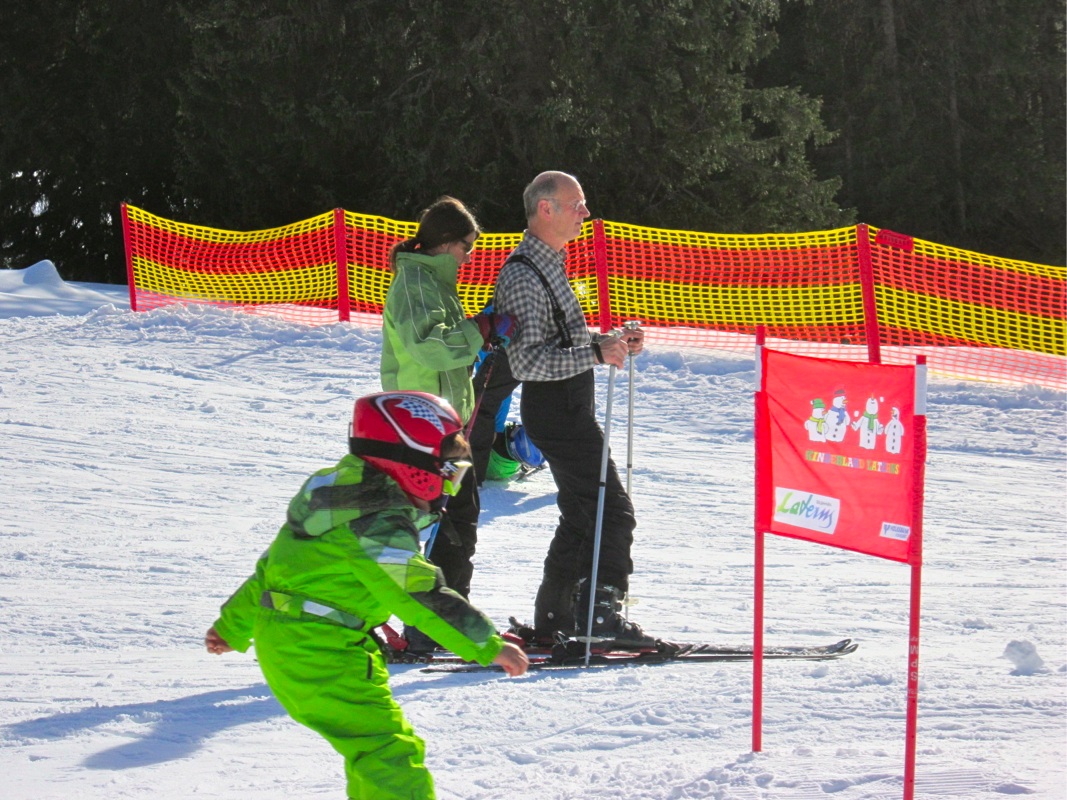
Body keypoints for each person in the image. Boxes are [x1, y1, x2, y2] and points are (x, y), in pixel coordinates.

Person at [205, 391, 528, 800]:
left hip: (295, 641)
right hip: (320, 649)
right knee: (386, 751)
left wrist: (232, 626)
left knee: (377, 747)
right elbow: (416, 590)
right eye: (447, 468)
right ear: (409, 462)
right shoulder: (375, 522)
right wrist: (487, 643)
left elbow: (271, 572)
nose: (450, 483)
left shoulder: (336, 504)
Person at [492, 170, 654, 648]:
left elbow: (562, 339)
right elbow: (525, 361)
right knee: (612, 511)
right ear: (546, 209)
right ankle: (599, 618)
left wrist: (608, 341)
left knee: (583, 512)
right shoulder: (524, 273)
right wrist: (596, 352)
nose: (586, 212)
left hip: (566, 406)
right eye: (576, 203)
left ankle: (556, 616)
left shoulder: (549, 264)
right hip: (555, 408)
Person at [380, 197, 514, 649]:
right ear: (443, 242)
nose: (468, 256)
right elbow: (429, 347)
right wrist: (481, 329)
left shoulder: (436, 282)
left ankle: (450, 617)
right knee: (440, 523)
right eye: (465, 246)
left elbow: (450, 349)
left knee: (460, 519)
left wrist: (481, 338)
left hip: (448, 427)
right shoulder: (415, 283)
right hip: (422, 428)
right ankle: (428, 625)